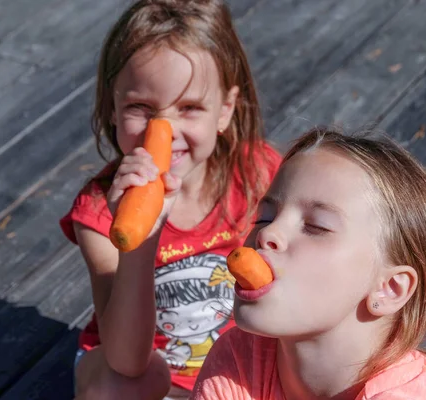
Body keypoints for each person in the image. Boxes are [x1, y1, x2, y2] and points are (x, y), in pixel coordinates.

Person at [59, 1, 281, 398]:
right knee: (120, 385)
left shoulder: (261, 175)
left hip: (237, 371)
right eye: (140, 108)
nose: (164, 130)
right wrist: (140, 237)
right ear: (112, 108)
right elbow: (126, 361)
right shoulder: (98, 210)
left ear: (225, 111)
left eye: (190, 108)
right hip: (143, 374)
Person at [191, 126, 426, 399]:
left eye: (316, 226)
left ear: (389, 288)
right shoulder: (238, 361)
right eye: (263, 217)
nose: (267, 233)